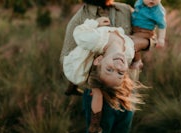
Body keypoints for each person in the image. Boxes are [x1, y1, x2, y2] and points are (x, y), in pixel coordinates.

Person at [60, 0, 141, 132]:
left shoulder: (126, 10)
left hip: (125, 90)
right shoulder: (80, 19)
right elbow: (65, 58)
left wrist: (149, 42)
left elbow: (147, 32)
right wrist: (95, 81)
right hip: (97, 91)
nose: (117, 67)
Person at [130, 0, 167, 69]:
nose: (152, 0)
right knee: (129, 40)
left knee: (132, 42)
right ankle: (134, 59)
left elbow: (162, 26)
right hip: (135, 28)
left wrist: (161, 39)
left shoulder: (158, 11)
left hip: (145, 32)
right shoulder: (140, 2)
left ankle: (137, 61)